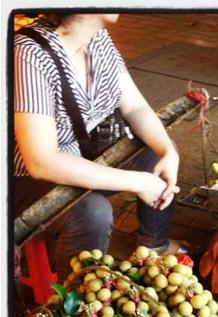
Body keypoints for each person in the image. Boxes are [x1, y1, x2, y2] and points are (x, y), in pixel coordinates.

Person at [13, 13, 184, 282]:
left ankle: (153, 245)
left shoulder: (97, 38)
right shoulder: (29, 54)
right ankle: (77, 302)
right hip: (26, 178)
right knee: (92, 213)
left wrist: (168, 151)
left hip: (83, 154)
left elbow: (135, 107)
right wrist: (137, 181)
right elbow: (41, 160)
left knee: (155, 154)